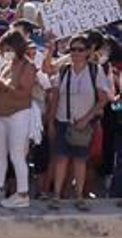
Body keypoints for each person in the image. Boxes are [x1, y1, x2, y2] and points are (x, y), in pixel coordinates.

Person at [46, 34, 111, 209]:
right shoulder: (64, 70)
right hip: (62, 120)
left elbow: (103, 99)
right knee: (61, 159)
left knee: (80, 161)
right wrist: (51, 122)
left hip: (84, 124)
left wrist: (87, 119)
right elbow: (54, 96)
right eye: (73, 49)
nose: (75, 53)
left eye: (80, 49)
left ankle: (79, 197)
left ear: (88, 52)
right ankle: (57, 196)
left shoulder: (95, 71)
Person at [0, 30, 38, 209]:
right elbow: (1, 87)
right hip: (0, 113)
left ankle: (22, 194)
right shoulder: (5, 65)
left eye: (8, 48)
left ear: (18, 47)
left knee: (17, 155)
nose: (6, 52)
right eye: (3, 49)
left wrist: (3, 86)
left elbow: (24, 92)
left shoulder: (28, 67)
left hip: (18, 114)